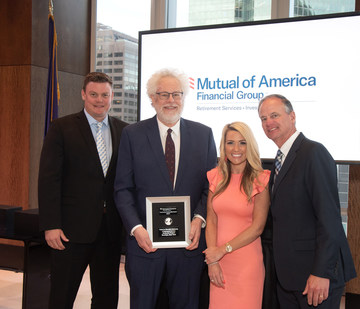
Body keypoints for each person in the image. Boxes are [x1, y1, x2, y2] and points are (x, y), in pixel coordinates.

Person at [114, 68, 217, 309]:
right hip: (145, 245)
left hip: (188, 248)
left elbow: (210, 186)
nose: (171, 100)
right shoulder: (132, 134)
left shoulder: (204, 135)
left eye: (176, 94)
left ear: (183, 97)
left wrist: (199, 218)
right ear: (152, 99)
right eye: (163, 95)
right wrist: (136, 228)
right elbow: (122, 189)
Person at [38, 72, 128, 309]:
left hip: (110, 232)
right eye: (94, 94)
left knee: (107, 298)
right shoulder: (61, 128)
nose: (99, 100)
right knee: (61, 296)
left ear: (112, 96)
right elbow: (49, 179)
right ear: (83, 95)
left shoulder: (124, 130)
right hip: (70, 232)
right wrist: (51, 224)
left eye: (105, 95)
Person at [258, 94, 357, 309]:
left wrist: (321, 272)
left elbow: (329, 220)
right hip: (291, 277)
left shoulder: (313, 153)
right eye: (263, 118)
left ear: (292, 116)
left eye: (274, 115)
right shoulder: (280, 158)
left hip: (315, 276)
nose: (268, 123)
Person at [203, 121, 270, 308]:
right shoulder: (215, 176)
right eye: (230, 142)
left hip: (246, 265)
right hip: (218, 262)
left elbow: (257, 228)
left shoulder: (260, 179)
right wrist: (212, 261)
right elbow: (211, 220)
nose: (236, 148)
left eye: (242, 142)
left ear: (250, 145)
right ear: (223, 146)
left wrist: (222, 250)